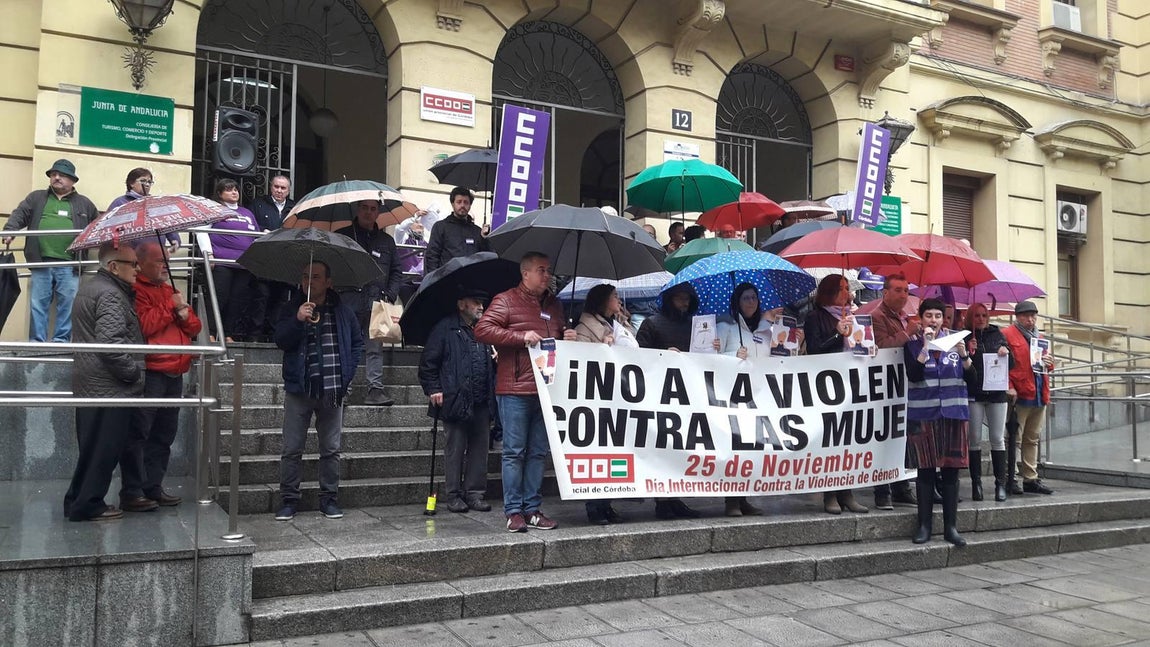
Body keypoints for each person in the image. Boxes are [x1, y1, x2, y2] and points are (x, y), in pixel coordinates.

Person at [474, 252, 576, 532]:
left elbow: (555, 339)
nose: (547, 275)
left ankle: (532, 508)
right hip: (515, 387)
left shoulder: (554, 305)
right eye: (541, 270)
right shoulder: (506, 300)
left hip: (545, 387)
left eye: (549, 270)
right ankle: (513, 511)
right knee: (514, 452)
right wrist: (520, 337)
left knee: (538, 452)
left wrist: (568, 336)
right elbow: (482, 329)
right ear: (525, 274)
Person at [273, 261, 365, 521]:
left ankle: (329, 499)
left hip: (332, 388)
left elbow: (357, 343)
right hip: (299, 388)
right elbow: (281, 340)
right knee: (292, 447)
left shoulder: (343, 312)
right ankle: (289, 500)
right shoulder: (292, 307)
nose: (309, 282)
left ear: (328, 282)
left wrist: (347, 374)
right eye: (305, 277)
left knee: (331, 448)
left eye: (315, 277)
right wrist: (297, 320)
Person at [64, 242, 144, 521]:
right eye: (132, 264)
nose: (138, 269)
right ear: (113, 267)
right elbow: (110, 343)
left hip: (92, 381)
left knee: (92, 448)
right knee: (103, 450)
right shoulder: (111, 294)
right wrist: (133, 372)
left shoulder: (91, 287)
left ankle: (78, 499)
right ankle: (88, 504)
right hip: (108, 385)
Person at [124, 240, 202, 510]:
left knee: (164, 434)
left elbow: (194, 326)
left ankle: (154, 486)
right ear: (142, 263)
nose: (165, 266)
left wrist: (181, 310)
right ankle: (133, 490)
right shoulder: (137, 291)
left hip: (175, 371)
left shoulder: (170, 290)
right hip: (153, 371)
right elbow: (144, 325)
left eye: (167, 260)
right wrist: (171, 307)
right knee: (140, 433)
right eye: (159, 261)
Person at [3, 159, 98, 342]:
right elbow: (19, 214)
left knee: (67, 305)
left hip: (70, 264)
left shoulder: (84, 203)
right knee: (38, 304)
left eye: (62, 175)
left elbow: (97, 224)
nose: (56, 177)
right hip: (41, 261)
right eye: (54, 174)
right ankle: (37, 343)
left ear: (72, 181)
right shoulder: (37, 197)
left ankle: (61, 343)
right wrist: (9, 231)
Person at [418, 287, 495, 513]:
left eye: (483, 302)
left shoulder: (484, 330)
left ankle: (474, 493)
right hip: (454, 399)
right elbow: (428, 364)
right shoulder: (445, 328)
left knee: (480, 449)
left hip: (481, 400)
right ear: (462, 304)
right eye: (476, 301)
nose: (481, 306)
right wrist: (433, 389)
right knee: (455, 448)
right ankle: (453, 494)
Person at [905, 298, 973, 546]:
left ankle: (950, 527)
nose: (933, 320)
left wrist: (965, 356)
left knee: (951, 473)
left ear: (944, 319)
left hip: (953, 415)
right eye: (928, 316)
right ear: (920, 319)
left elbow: (974, 380)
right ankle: (924, 526)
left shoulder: (956, 344)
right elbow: (913, 373)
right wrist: (925, 348)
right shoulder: (912, 346)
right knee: (925, 472)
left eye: (938, 316)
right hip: (924, 415)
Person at [634, 283, 703, 520]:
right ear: (670, 300)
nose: (684, 303)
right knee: (662, 447)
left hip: (687, 396)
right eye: (680, 299)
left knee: (681, 447)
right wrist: (663, 353)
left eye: (687, 299)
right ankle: (662, 501)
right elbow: (638, 357)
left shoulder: (695, 325)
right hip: (659, 395)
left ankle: (674, 496)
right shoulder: (651, 323)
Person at [803, 274, 870, 516]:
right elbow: (814, 349)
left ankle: (847, 493)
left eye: (847, 288)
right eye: (841, 289)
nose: (847, 293)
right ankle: (830, 494)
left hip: (852, 386)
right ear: (829, 292)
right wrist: (837, 334)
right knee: (831, 442)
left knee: (849, 441)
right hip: (827, 388)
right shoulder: (815, 317)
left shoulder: (854, 317)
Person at [574, 284, 636, 525]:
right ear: (602, 301)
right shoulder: (584, 327)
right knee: (598, 453)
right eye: (615, 297)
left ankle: (607, 503)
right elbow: (580, 360)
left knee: (615, 452)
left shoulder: (619, 324)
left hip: (619, 398)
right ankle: (595, 506)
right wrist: (602, 347)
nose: (619, 300)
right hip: (597, 400)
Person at [335, 200, 404, 406]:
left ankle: (375, 390)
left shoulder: (386, 241)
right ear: (358, 210)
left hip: (377, 301)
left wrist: (390, 295)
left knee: (375, 348)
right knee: (346, 345)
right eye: (364, 208)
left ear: (378, 213)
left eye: (373, 209)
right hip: (348, 300)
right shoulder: (344, 235)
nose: (368, 212)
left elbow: (396, 272)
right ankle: (343, 390)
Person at [868, 272, 920, 509]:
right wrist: (907, 333)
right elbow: (882, 347)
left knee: (903, 438)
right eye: (898, 290)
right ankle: (883, 491)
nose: (903, 295)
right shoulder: (876, 316)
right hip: (884, 387)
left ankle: (901, 486)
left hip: (902, 385)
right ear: (885, 292)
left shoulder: (902, 317)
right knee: (885, 438)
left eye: (906, 291)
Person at [1002, 300, 1055, 495]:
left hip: (1039, 392)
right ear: (1017, 317)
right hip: (1020, 393)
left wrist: (1051, 363)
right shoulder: (1007, 334)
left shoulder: (1039, 337)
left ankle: (1030, 478)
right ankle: (1011, 477)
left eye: (1033, 316)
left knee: (1032, 438)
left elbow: (1046, 365)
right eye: (1026, 316)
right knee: (1014, 438)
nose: (1030, 319)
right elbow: (1002, 365)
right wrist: (1009, 386)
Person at [963, 303, 1012, 502]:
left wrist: (1005, 351)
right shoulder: (965, 336)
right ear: (970, 318)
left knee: (997, 438)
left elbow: (1012, 364)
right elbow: (961, 367)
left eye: (984, 315)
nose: (981, 319)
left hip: (997, 394)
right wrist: (968, 351)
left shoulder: (997, 334)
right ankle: (976, 484)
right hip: (975, 392)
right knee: (973, 438)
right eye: (976, 316)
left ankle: (1000, 483)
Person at [207, 178, 263, 342]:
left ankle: (227, 333)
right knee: (219, 296)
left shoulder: (247, 213)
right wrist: (208, 253)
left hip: (243, 264)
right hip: (222, 261)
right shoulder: (215, 210)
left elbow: (255, 235)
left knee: (236, 300)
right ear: (220, 193)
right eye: (229, 189)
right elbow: (202, 231)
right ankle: (210, 332)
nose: (234, 192)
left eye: (236, 190)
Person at [249, 175, 296, 337]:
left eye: (283, 188)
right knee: (261, 296)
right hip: (264, 258)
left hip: (285, 260)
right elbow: (250, 226)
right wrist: (263, 231)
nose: (279, 191)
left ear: (288, 191)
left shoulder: (295, 208)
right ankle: (255, 335)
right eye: (276, 187)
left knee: (281, 298)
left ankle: (274, 334)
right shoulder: (258, 204)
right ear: (271, 187)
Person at [107, 168, 179, 254]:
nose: (147, 184)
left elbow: (166, 222)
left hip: (155, 254)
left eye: (149, 182)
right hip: (132, 254)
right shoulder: (120, 203)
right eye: (143, 181)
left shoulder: (156, 203)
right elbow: (110, 229)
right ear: (132, 183)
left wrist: (174, 239)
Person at [424, 187, 489, 275]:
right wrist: (433, 280)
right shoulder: (440, 227)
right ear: (452, 204)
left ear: (470, 205)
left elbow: (485, 257)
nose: (462, 205)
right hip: (447, 280)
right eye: (459, 202)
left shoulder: (477, 231)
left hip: (471, 281)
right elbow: (432, 256)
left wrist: (484, 239)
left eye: (466, 202)